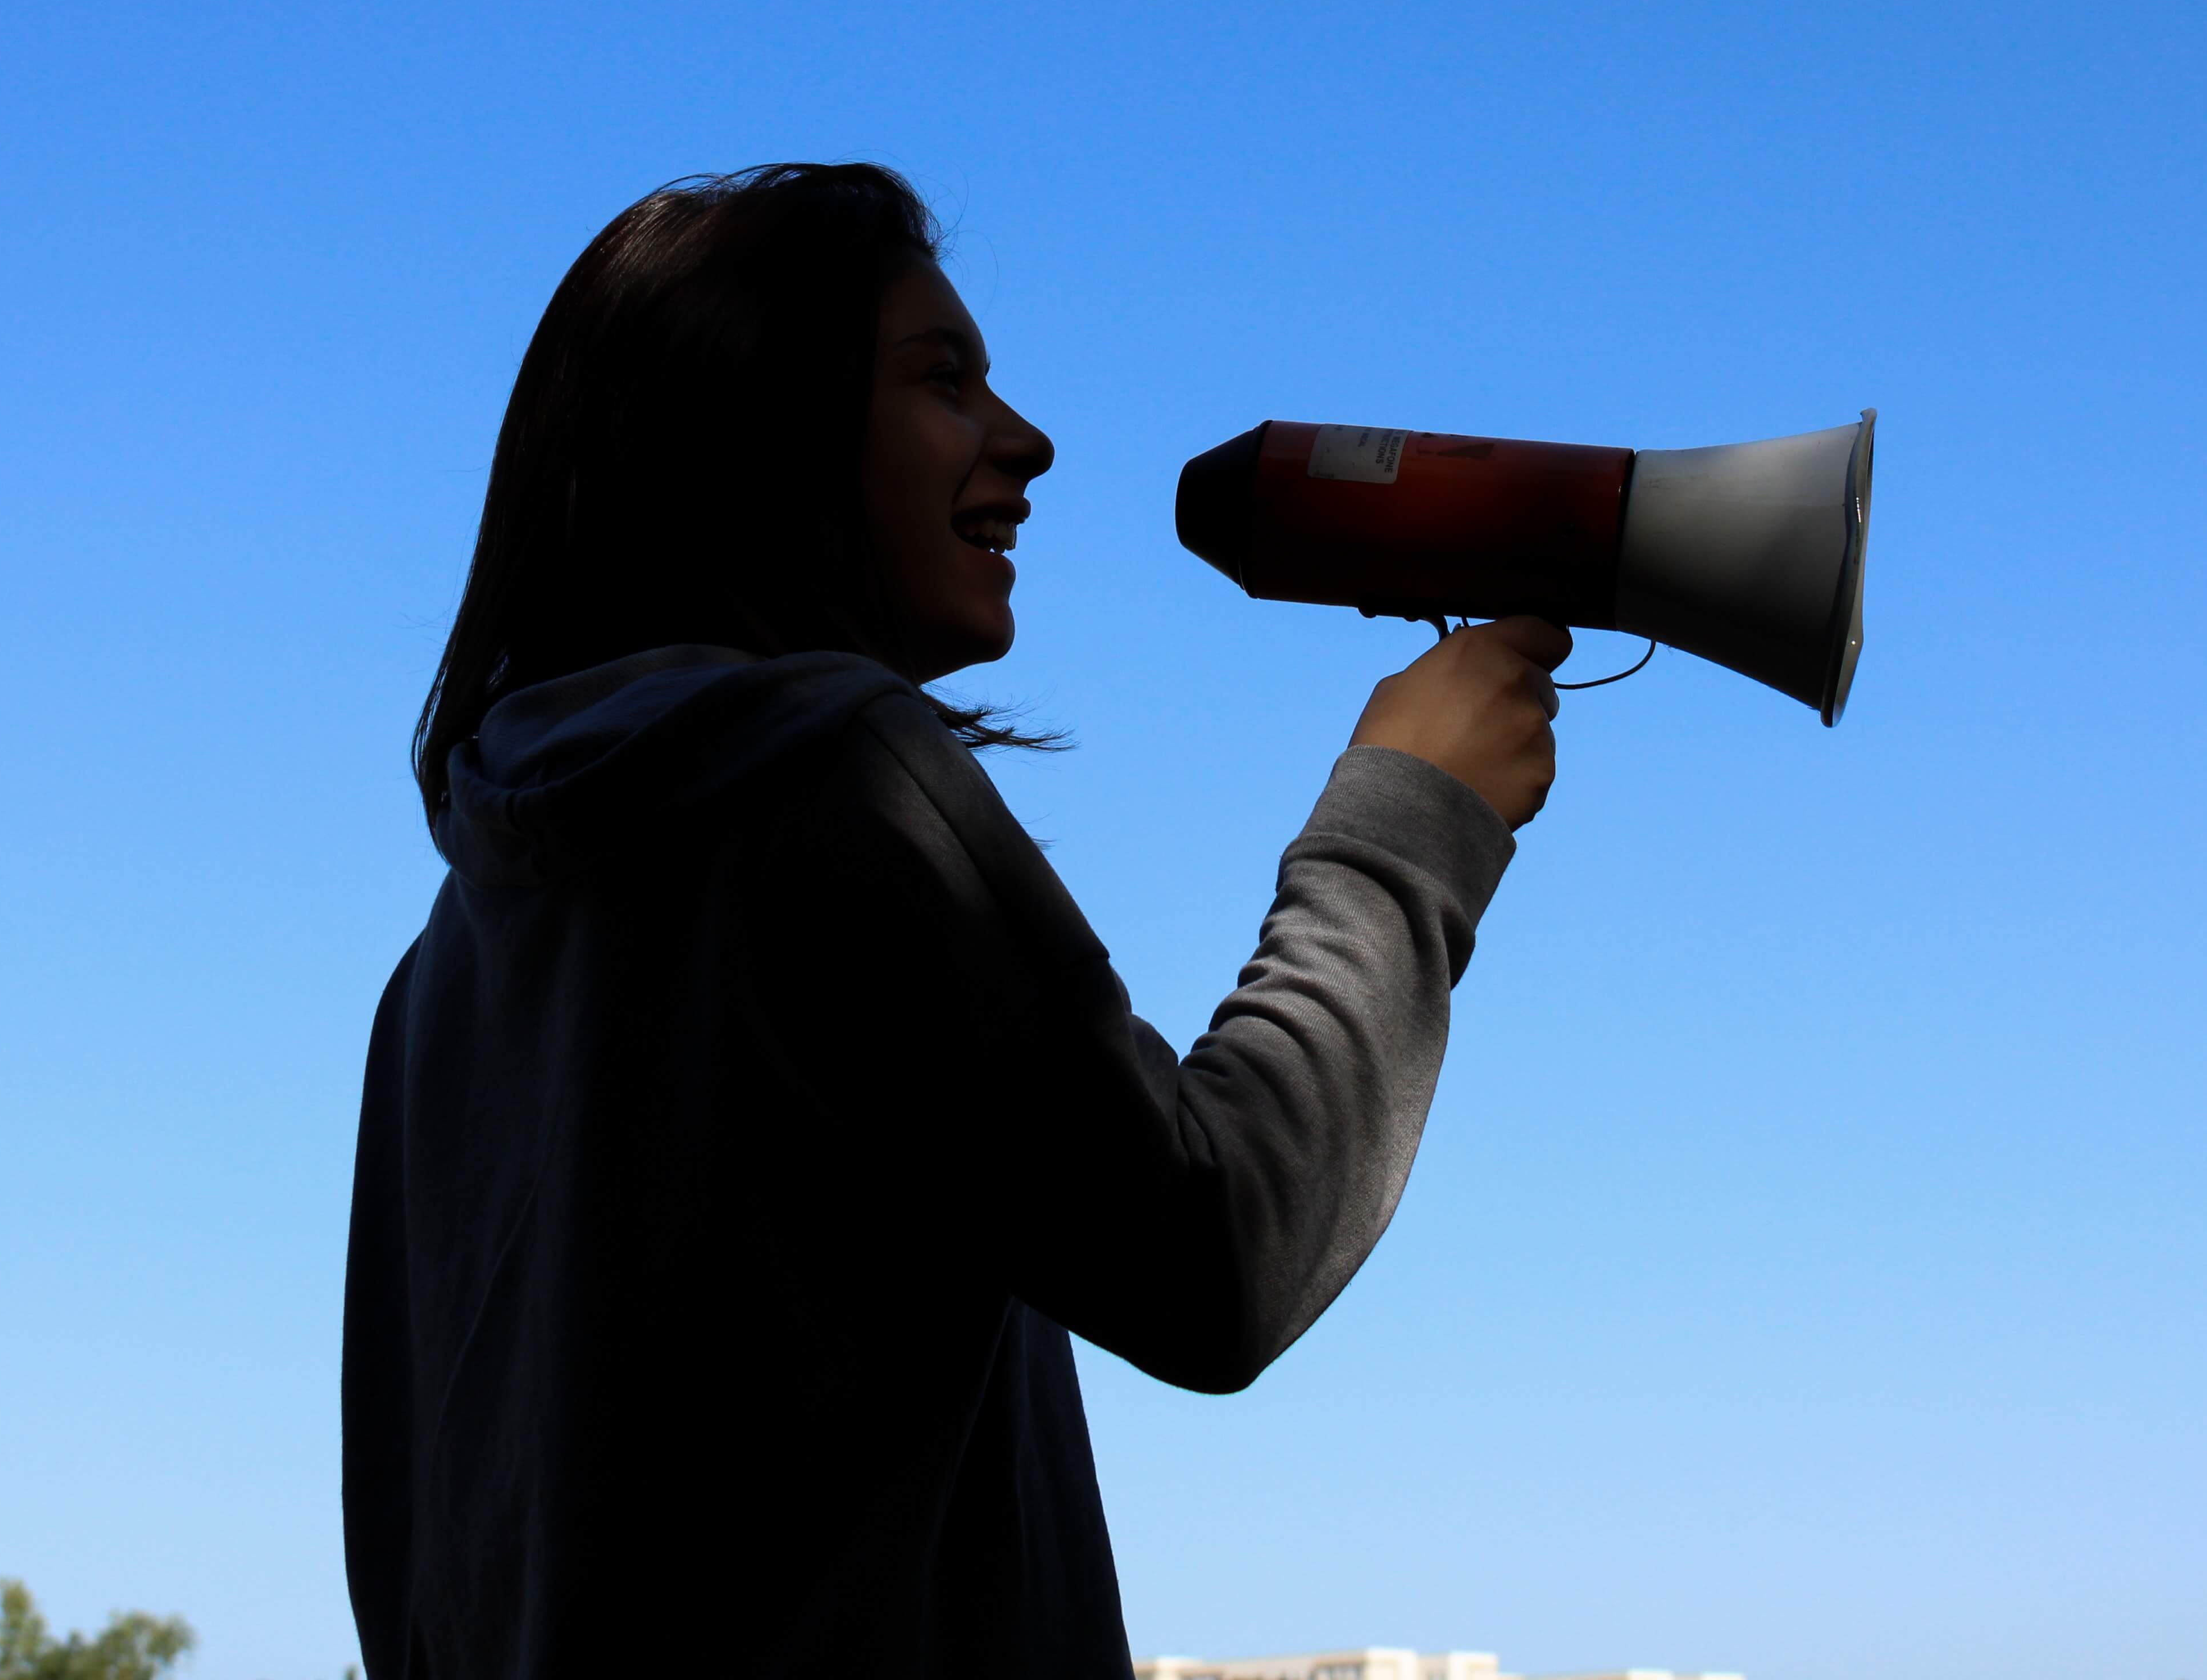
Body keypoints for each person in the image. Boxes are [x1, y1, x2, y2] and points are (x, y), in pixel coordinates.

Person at [342, 163, 1569, 1677]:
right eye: (944, 380)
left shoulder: (446, 972)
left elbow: (419, 1559)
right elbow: (1217, 1253)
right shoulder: (833, 781)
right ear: (754, 423)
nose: (1028, 440)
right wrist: (1411, 818)